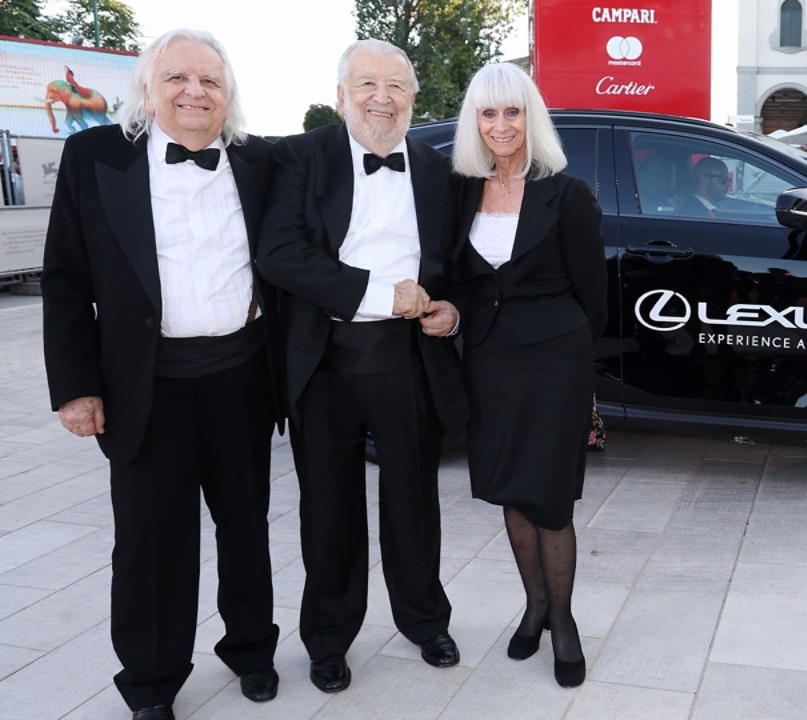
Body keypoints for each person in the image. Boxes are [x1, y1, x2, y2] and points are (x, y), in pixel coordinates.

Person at [41, 29, 283, 720]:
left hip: (242, 375)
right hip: (144, 386)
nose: (194, 91)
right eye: (177, 77)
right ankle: (150, 682)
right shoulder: (94, 157)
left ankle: (252, 650)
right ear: (149, 86)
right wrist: (77, 385)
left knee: (246, 527)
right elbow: (64, 278)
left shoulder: (261, 161)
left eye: (209, 80)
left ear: (227, 90)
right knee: (150, 542)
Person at [255, 39, 468, 693]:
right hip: (324, 363)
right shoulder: (302, 156)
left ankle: (425, 621)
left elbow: (457, 264)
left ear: (414, 98)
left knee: (414, 503)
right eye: (367, 84)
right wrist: (382, 294)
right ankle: (327, 638)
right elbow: (280, 253)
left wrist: (451, 309)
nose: (382, 97)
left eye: (397, 86)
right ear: (342, 93)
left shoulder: (440, 171)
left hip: (407, 360)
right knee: (328, 508)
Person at [449, 62, 606, 688]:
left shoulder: (567, 194)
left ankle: (562, 620)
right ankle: (534, 604)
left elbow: (593, 297)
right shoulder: (461, 190)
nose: (500, 125)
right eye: (488, 113)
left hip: (554, 366)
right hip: (489, 363)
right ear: (475, 122)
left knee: (549, 497)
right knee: (512, 489)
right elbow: (457, 276)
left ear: (530, 117)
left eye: (512, 111)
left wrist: (574, 370)